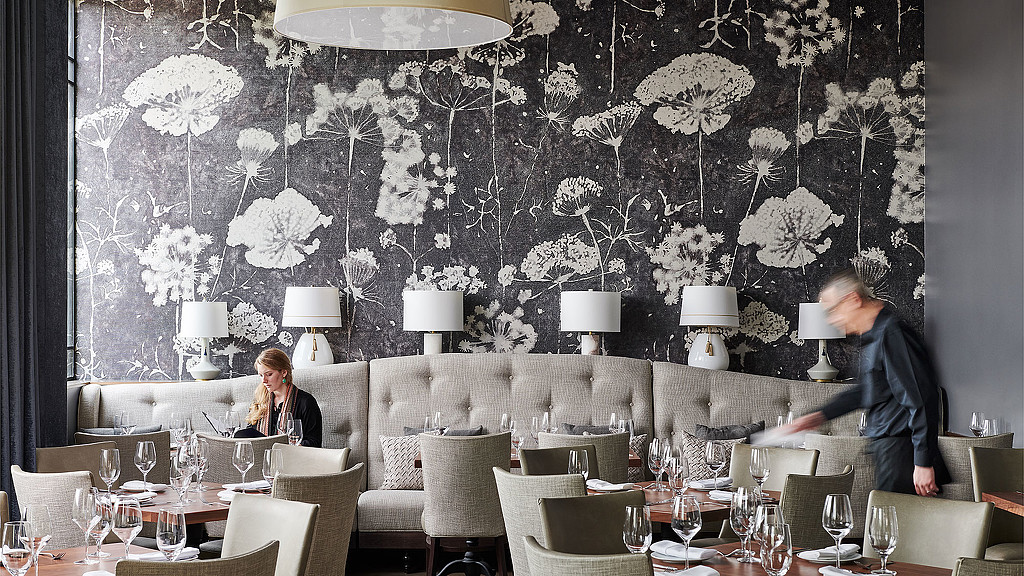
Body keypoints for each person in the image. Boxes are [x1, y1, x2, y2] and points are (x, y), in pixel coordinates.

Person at [787, 268, 949, 497]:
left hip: (903, 455)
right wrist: (818, 416)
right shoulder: (875, 336)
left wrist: (922, 462)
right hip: (890, 453)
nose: (832, 320)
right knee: (886, 530)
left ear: (852, 299)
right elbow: (865, 392)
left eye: (832, 311)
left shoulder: (892, 334)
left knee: (893, 530)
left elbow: (921, 398)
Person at [236, 348, 323, 448]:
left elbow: (315, 442)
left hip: (292, 458)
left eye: (269, 374)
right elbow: (250, 435)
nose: (264, 380)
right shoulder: (259, 400)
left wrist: (294, 445)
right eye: (260, 375)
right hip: (261, 458)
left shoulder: (306, 402)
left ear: (284, 372)